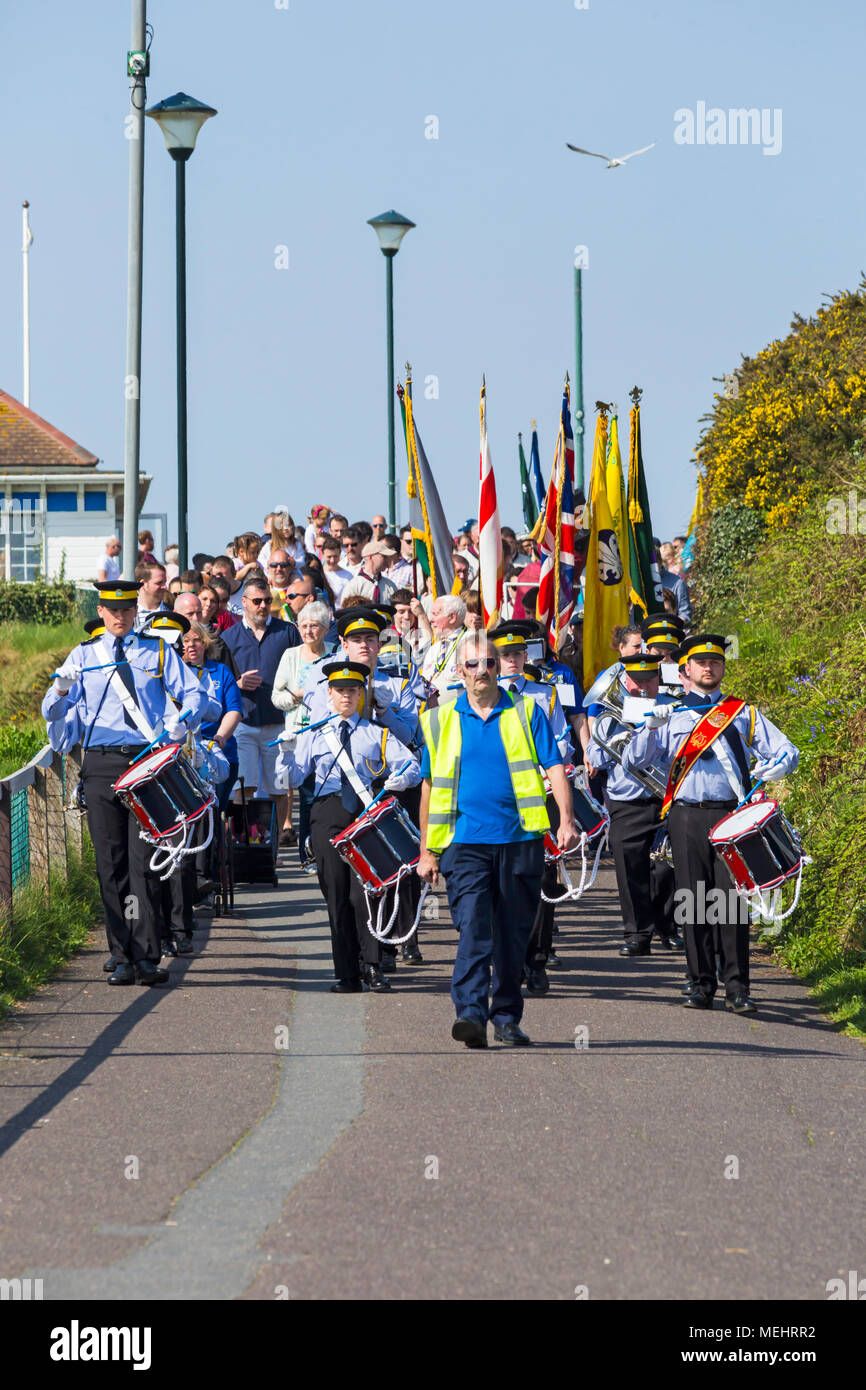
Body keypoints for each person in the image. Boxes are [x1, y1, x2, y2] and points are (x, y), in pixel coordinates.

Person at [41, 580, 218, 986]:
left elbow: (194, 695)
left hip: (145, 763)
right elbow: (53, 713)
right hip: (101, 764)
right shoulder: (84, 655)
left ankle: (146, 953)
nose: (120, 617)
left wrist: (182, 721)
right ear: (101, 612)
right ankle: (120, 954)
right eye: (113, 610)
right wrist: (62, 687)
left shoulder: (155, 650)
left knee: (144, 866)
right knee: (111, 864)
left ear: (135, 612)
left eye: (127, 610)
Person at [417, 632, 579, 1048]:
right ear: (459, 672)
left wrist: (566, 819)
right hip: (464, 842)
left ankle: (506, 1017)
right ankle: (469, 1013)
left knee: (512, 933)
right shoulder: (438, 718)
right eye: (473, 665)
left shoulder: (528, 711)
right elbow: (429, 786)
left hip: (520, 838)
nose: (482, 671)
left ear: (499, 666)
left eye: (489, 662)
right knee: (474, 926)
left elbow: (555, 766)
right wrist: (426, 851)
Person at [623, 633, 799, 1013]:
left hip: (731, 816)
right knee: (693, 900)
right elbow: (632, 763)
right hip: (686, 815)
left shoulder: (742, 712)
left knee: (731, 904)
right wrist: (650, 728)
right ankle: (700, 983)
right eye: (701, 663)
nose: (708, 667)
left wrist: (782, 762)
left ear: (722, 667)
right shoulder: (671, 715)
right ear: (685, 669)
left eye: (715, 662)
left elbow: (785, 748)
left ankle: (737, 988)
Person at [276, 660, 420, 992]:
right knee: (337, 895)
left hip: (365, 815)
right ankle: (347, 973)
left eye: (352, 690)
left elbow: (411, 763)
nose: (346, 696)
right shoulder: (314, 734)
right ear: (328, 693)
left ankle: (372, 965)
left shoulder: (375, 732)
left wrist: (401, 778)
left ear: (360, 694)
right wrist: (285, 753)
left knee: (365, 893)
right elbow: (291, 778)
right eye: (340, 691)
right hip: (327, 813)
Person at [491, 621, 573, 995]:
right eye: (504, 655)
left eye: (517, 654)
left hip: (538, 798)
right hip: (496, 802)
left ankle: (537, 959)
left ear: (527, 657)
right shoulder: (477, 697)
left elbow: (561, 745)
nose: (510, 661)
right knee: (498, 883)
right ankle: (505, 959)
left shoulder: (545, 695)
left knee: (541, 880)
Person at [586, 652, 682, 958]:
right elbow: (597, 757)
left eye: (648, 680)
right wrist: (623, 737)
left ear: (658, 679)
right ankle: (638, 933)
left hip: (665, 797)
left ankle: (667, 927)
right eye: (636, 680)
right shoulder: (610, 714)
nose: (642, 687)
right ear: (625, 681)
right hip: (627, 800)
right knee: (631, 868)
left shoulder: (673, 707)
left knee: (669, 868)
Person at [222, 576, 300, 840]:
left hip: (278, 723)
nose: (263, 606)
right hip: (243, 724)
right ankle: (248, 843)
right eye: (257, 601)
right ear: (243, 603)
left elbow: (300, 670)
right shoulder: (228, 638)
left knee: (280, 787)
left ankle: (278, 840)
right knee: (245, 788)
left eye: (267, 600)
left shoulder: (287, 631)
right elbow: (220, 681)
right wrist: (238, 682)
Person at [271, 600, 334, 851]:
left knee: (327, 794)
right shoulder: (290, 655)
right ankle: (307, 851)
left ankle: (327, 847)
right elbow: (277, 698)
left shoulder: (335, 653)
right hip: (299, 735)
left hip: (328, 734)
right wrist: (297, 695)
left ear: (326, 629)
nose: (308, 631)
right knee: (307, 796)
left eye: (315, 626)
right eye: (304, 626)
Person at [420, 594, 466, 700]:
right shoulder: (434, 648)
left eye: (436, 614)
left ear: (452, 617)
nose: (431, 619)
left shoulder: (472, 644)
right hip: (431, 713)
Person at [340, 540, 398, 606]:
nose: (387, 560)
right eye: (384, 556)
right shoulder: (354, 586)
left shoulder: (390, 586)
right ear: (370, 556)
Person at [319, 536, 353, 607]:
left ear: (340, 554)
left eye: (335, 556)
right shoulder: (318, 574)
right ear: (322, 554)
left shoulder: (348, 576)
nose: (332, 560)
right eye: (329, 557)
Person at [134, 562, 168, 628]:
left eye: (165, 582)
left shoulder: (172, 612)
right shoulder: (128, 613)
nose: (165, 587)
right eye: (159, 583)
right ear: (143, 584)